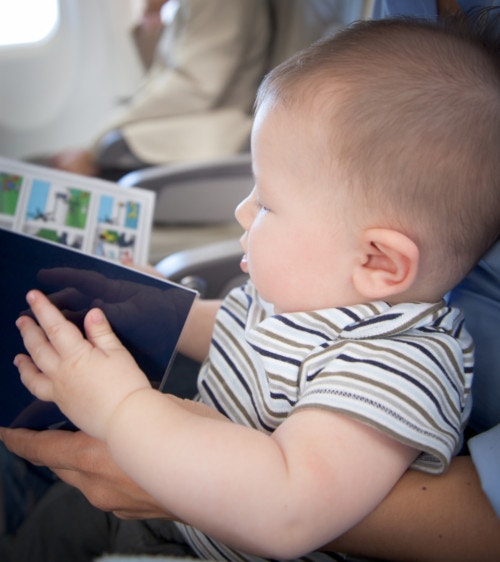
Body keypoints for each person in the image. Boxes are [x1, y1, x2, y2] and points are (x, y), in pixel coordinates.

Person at [2, 15, 500, 562]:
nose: (243, 211)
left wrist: (120, 408)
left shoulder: (401, 367)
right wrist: (150, 306)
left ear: (378, 259)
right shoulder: (318, 291)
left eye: (266, 203)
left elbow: (287, 508)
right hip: (176, 513)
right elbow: (239, 328)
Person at [47, 0, 362, 180]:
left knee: (102, 152)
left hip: (218, 129)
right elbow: (163, 74)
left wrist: (94, 142)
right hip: (192, 122)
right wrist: (151, 17)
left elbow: (194, 86)